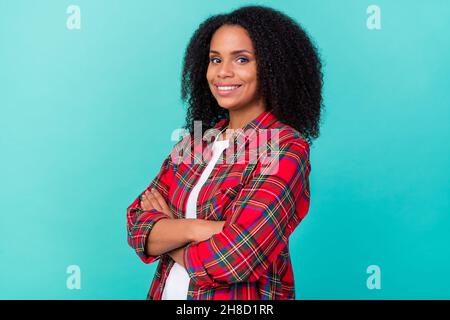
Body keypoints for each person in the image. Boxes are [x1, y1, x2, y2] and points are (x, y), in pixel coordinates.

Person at [126, 5, 323, 300]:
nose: (223, 72)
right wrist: (198, 229)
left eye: (241, 59)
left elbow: (234, 258)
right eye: (215, 59)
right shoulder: (195, 143)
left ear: (273, 67)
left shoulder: (284, 148)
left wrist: (170, 228)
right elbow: (137, 227)